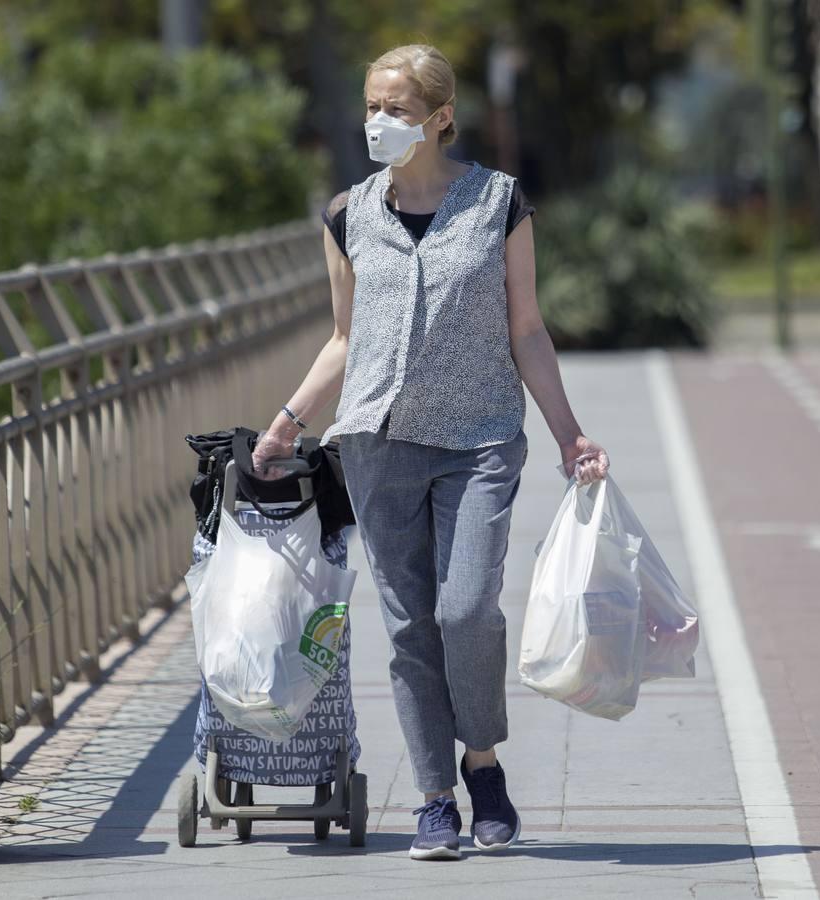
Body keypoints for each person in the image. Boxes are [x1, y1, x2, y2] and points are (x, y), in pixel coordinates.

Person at [249, 43, 610, 861]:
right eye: (373, 107)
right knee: (411, 628)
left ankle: (481, 761)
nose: (380, 122)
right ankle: (436, 800)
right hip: (378, 443)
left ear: (440, 117)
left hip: (480, 438)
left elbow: (526, 327)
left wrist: (568, 433)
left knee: (465, 610)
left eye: (398, 109)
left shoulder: (498, 203)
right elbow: (344, 339)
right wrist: (286, 422)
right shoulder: (347, 214)